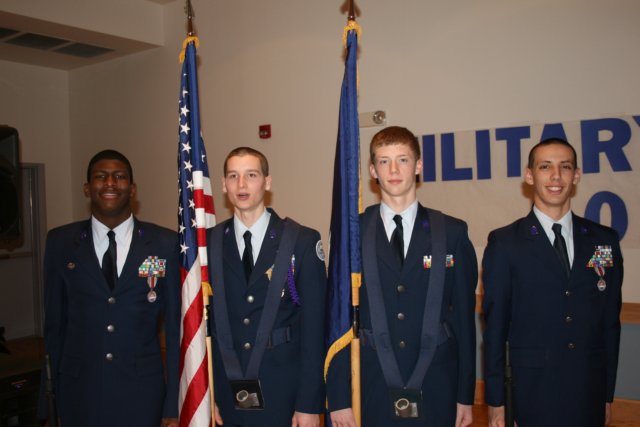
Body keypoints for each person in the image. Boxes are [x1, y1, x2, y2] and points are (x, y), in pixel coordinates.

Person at [328, 126, 478, 427]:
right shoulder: (352, 233)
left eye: (403, 160)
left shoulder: (452, 232)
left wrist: (465, 394)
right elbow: (338, 318)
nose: (394, 170)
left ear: (418, 166)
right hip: (371, 384)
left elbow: (463, 319)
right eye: (384, 161)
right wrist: (339, 398)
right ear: (373, 170)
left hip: (437, 383)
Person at [482, 137, 623, 427]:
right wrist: (496, 401)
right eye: (545, 167)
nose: (556, 176)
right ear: (529, 175)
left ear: (576, 175)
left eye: (565, 167)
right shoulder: (505, 243)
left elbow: (610, 323)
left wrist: (606, 395)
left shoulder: (603, 241)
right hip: (530, 393)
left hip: (588, 391)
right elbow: (495, 328)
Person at [37, 150, 180, 427]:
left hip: (143, 394)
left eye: (119, 177)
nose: (110, 183)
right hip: (80, 392)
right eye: (101, 177)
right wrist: (48, 402)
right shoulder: (60, 242)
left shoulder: (165, 244)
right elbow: (54, 326)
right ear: (87, 188)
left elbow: (175, 329)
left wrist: (173, 401)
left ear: (133, 188)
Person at [208, 147, 327, 427]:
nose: (241, 184)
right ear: (224, 185)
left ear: (267, 182)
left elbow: (314, 330)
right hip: (227, 392)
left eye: (251, 175)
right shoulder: (210, 243)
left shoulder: (301, 241)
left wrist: (309, 403)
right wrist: (209, 394)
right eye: (233, 176)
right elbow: (204, 325)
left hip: (284, 392)